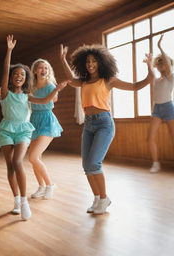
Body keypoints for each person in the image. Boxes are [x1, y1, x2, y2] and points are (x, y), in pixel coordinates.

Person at [60, 43, 154, 214]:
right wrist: (62, 60)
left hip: (104, 124)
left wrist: (149, 67)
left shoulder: (109, 80)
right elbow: (70, 79)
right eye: (87, 62)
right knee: (86, 165)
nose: (90, 64)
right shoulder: (84, 82)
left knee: (94, 163)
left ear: (101, 63)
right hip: (89, 124)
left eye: (94, 61)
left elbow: (135, 86)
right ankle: (97, 199)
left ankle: (104, 198)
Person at [0, 35, 67, 220]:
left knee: (19, 162)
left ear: (26, 79)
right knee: (10, 167)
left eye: (22, 75)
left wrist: (57, 89)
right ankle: (16, 200)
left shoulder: (28, 96)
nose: (18, 77)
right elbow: (5, 73)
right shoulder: (5, 92)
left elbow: (45, 100)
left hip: (24, 130)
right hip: (6, 130)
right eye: (16, 74)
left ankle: (24, 201)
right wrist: (9, 51)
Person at [28, 59, 63, 200]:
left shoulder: (50, 86)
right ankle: (41, 187)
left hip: (47, 121)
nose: (43, 70)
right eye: (41, 68)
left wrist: (55, 89)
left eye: (46, 68)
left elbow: (53, 100)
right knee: (35, 159)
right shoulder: (31, 87)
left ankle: (49, 185)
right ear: (35, 71)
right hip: (34, 121)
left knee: (33, 157)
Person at [148, 34, 174, 173]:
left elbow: (168, 64)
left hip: (169, 107)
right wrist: (148, 63)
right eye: (159, 62)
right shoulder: (156, 79)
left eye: (163, 62)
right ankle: (156, 163)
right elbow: (150, 72)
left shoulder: (171, 77)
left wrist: (159, 46)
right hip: (157, 108)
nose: (161, 64)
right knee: (150, 137)